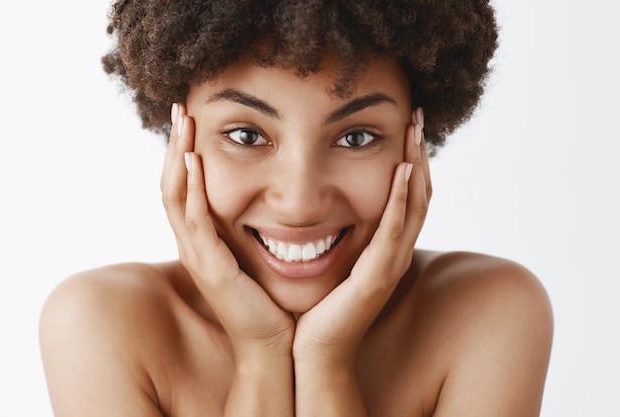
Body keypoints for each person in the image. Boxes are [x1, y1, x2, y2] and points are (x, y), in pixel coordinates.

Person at [40, 0, 553, 415]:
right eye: (246, 134)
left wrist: (325, 363)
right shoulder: (99, 325)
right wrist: (260, 354)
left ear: (411, 142)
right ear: (181, 138)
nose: (300, 201)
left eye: (356, 136)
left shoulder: (489, 313)